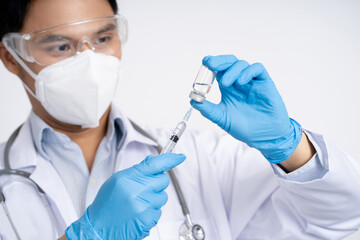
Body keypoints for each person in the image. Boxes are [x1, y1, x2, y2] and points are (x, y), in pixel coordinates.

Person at [0, 0, 359, 239]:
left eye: (103, 38)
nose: (89, 61)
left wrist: (289, 147)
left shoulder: (207, 161)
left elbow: (341, 220)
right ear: (11, 57)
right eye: (60, 46)